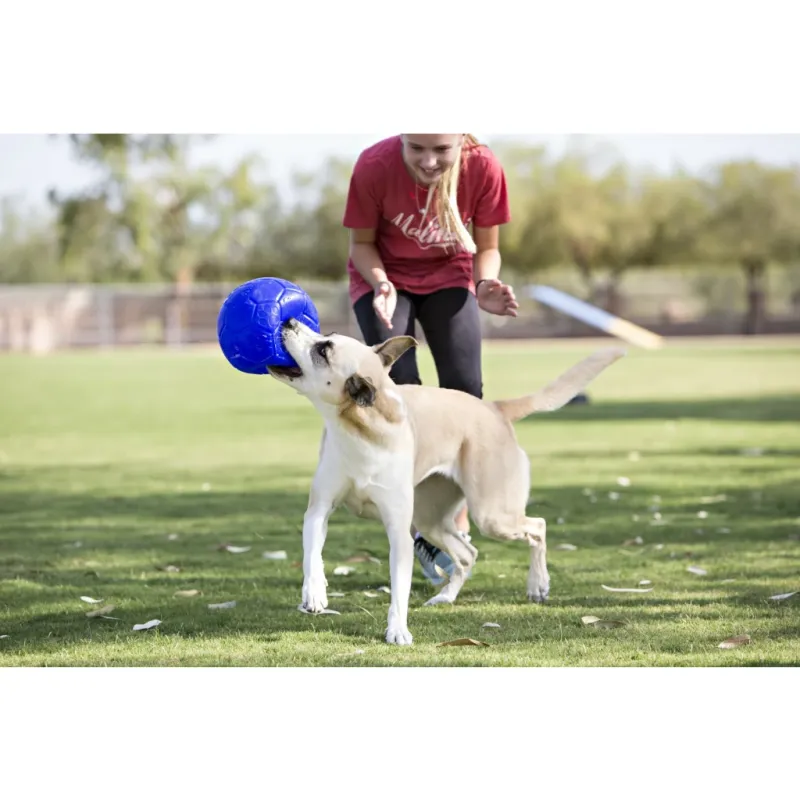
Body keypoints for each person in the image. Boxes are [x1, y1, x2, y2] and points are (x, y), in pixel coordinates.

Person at [342, 133, 519, 584]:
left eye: (441, 149)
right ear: (401, 139)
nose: (428, 160)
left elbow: (489, 247)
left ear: (461, 140)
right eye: (416, 147)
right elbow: (361, 245)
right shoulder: (374, 165)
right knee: (397, 391)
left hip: (449, 277)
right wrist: (381, 283)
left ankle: (450, 522)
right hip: (385, 282)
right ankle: (416, 525)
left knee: (465, 395)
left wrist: (485, 287)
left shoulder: (482, 168)